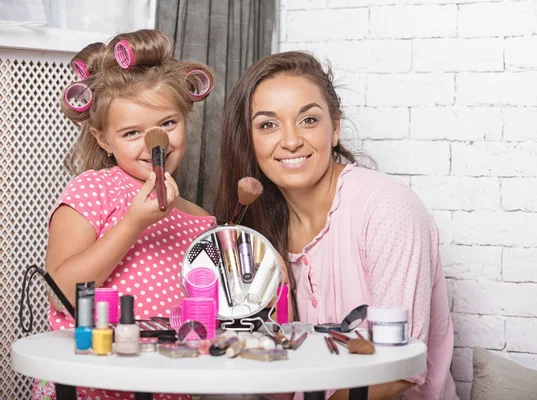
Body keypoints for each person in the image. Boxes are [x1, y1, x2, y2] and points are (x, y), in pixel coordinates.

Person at [212, 51, 458, 400]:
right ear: (249, 140)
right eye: (268, 125)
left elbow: (399, 372)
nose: (292, 140)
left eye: (308, 120)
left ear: (335, 127)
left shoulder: (387, 208)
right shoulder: (258, 230)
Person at [33, 29, 216, 400]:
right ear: (104, 139)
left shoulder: (201, 220)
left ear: (185, 119)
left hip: (168, 390)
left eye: (167, 124)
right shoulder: (93, 190)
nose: (155, 142)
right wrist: (133, 223)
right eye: (132, 132)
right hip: (87, 386)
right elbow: (62, 293)